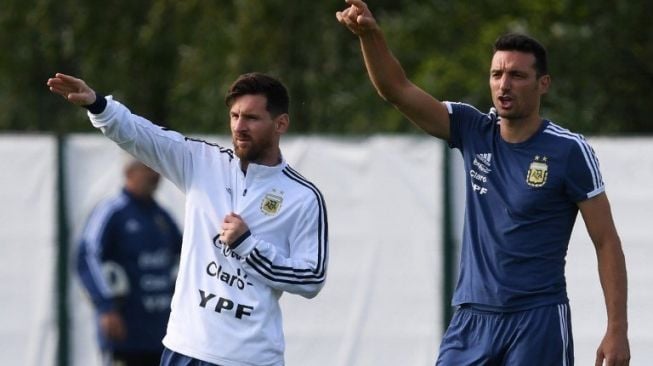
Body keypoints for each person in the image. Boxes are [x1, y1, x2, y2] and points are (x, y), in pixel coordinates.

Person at [337, 1, 629, 365]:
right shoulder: (472, 129)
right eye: (496, 75)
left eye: (517, 76)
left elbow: (606, 241)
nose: (504, 85)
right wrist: (370, 36)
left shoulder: (569, 151)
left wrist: (617, 328)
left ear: (543, 84)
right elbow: (396, 89)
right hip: (471, 319)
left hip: (536, 320)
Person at [48, 71, 328, 366]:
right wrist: (97, 105)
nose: (239, 127)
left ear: (280, 123)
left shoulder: (303, 197)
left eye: (252, 118)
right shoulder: (203, 163)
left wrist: (249, 247)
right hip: (187, 349)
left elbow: (311, 278)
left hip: (252, 358)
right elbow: (141, 135)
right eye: (234, 116)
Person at [77, 159, 182, 366]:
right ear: (129, 172)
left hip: (163, 335)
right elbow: (87, 257)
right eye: (148, 169)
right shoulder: (113, 211)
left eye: (158, 170)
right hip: (125, 334)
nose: (155, 176)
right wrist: (106, 306)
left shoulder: (162, 216)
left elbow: (187, 257)